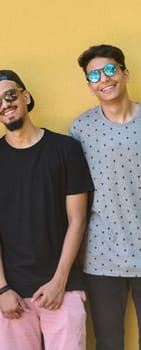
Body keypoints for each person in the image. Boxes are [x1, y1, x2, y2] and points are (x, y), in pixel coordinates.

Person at [0, 70, 94, 350]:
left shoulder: (66, 149)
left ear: (25, 96)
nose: (4, 104)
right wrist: (2, 288)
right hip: (9, 293)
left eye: (10, 95)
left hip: (62, 286)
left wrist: (59, 281)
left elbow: (77, 220)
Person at [70, 44, 141, 350]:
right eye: (95, 75)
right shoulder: (81, 129)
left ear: (125, 73)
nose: (105, 78)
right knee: (109, 342)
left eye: (111, 69)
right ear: (89, 86)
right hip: (102, 257)